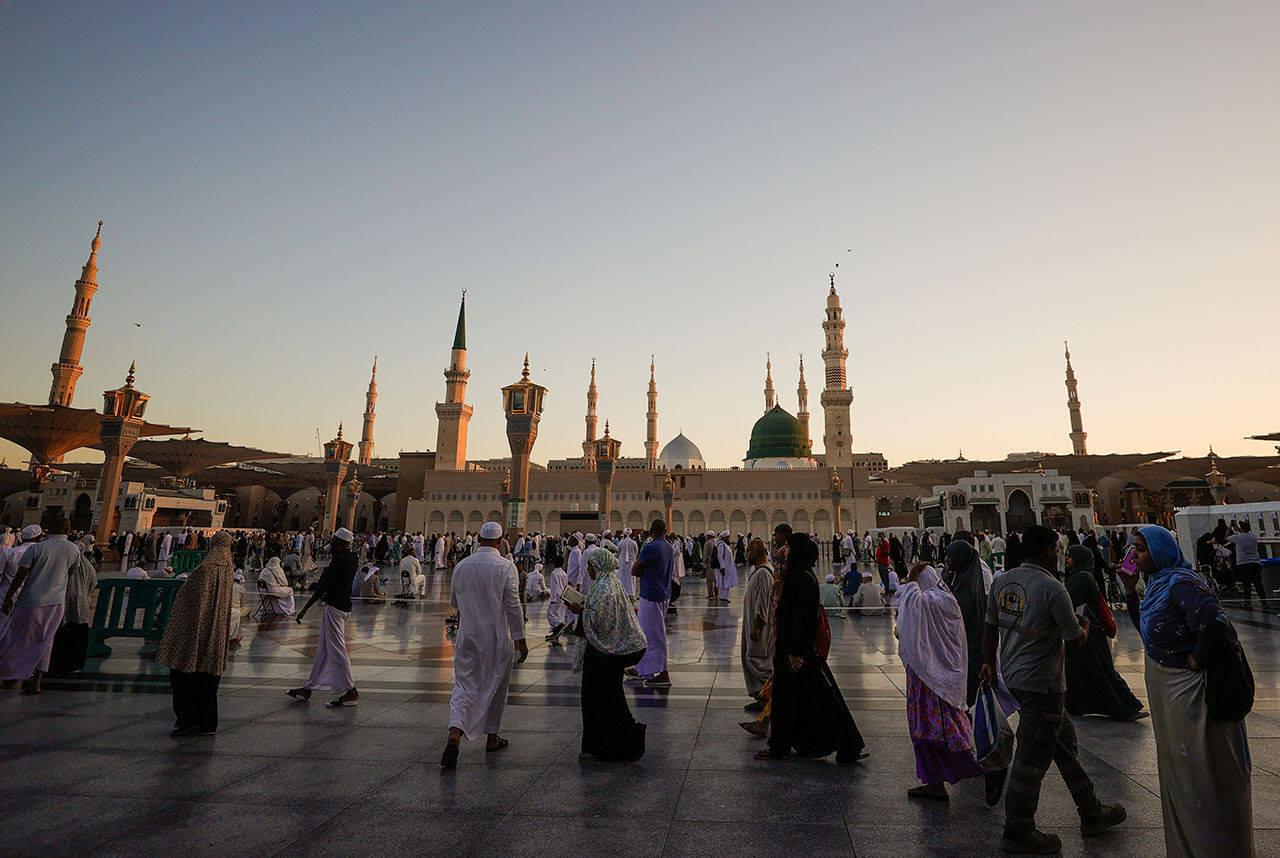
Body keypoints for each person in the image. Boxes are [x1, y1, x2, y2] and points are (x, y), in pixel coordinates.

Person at [982, 525, 1125, 854]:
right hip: (1043, 684)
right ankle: (1018, 829)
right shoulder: (1052, 588)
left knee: (1063, 745)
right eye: (1057, 550)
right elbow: (1073, 638)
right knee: (1030, 763)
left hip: (1016, 680)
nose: (1059, 555)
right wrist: (1086, 627)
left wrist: (990, 662)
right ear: (1048, 551)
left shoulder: (1003, 581)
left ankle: (1090, 811)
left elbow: (990, 627)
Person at [1124, 525, 1255, 858]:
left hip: (1192, 696)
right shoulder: (1156, 585)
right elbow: (1151, 636)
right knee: (1181, 776)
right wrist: (1129, 591)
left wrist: (1197, 658)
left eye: (1141, 549)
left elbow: (1214, 623)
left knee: (1204, 774)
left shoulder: (1182, 583)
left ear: (1161, 551)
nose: (1134, 556)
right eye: (1134, 549)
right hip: (1170, 695)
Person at [897, 562, 1006, 804]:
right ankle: (934, 785)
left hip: (930, 679)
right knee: (924, 733)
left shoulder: (930, 601)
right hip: (938, 677)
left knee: (942, 733)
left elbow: (910, 601)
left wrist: (912, 576)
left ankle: (988, 768)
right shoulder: (947, 598)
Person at [755, 532, 866, 764]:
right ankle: (846, 745)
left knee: (811, 700)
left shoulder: (802, 579)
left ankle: (783, 747)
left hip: (796, 652)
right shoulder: (800, 575)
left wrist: (795, 651)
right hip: (796, 650)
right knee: (806, 700)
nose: (786, 551)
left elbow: (803, 618)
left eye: (790, 547)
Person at [441, 521, 528, 769]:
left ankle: (455, 732)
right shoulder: (506, 567)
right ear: (500, 541)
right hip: (497, 638)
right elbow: (513, 606)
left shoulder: (462, 566)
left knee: (464, 684)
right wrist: (520, 639)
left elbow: (455, 601)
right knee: (497, 686)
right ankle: (492, 737)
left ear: (478, 538)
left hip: (467, 636)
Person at [568, 547, 647, 762]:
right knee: (606, 698)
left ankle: (610, 745)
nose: (589, 570)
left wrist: (580, 611)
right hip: (604, 651)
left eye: (591, 566)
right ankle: (604, 745)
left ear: (600, 565)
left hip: (604, 652)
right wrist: (585, 607)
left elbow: (602, 619)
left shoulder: (606, 588)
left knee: (602, 699)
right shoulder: (607, 583)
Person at [155, 531, 235, 735]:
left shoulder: (207, 568)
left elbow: (189, 598)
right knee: (208, 678)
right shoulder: (227, 566)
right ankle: (207, 722)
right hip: (216, 630)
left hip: (197, 630)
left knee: (184, 672)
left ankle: (189, 719)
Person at [1062, 545, 1144, 721]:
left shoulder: (1082, 578)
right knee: (1087, 671)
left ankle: (1127, 707)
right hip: (1087, 631)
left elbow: (1071, 604)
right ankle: (1076, 705)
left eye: (1070, 556)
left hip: (1088, 633)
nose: (1066, 559)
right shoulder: (1081, 575)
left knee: (1103, 671)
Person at [0, 517, 80, 693]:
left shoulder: (37, 548)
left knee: (18, 637)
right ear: (68, 530)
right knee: (46, 640)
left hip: (30, 601)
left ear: (50, 529)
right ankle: (36, 683)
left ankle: (10, 675)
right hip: (56, 603)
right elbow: (70, 572)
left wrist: (8, 598)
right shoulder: (74, 549)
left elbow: (20, 576)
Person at [288, 527, 361, 708]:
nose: (333, 545)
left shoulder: (338, 561)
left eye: (335, 542)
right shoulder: (353, 558)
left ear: (341, 543)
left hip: (335, 608)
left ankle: (351, 691)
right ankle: (309, 687)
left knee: (337, 649)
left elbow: (322, 587)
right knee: (323, 649)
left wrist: (304, 609)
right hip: (344, 607)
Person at [624, 519, 675, 688]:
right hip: (664, 595)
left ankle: (663, 673)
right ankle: (642, 668)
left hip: (651, 596)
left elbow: (634, 570)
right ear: (665, 531)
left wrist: (646, 573)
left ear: (652, 531)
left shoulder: (650, 548)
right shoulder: (669, 547)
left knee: (653, 635)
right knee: (649, 633)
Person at [944, 538, 987, 707]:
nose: (948, 561)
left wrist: (946, 583)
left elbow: (956, 611)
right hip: (970, 640)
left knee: (971, 690)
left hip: (970, 643)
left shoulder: (967, 584)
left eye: (950, 557)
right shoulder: (967, 578)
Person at [48, 541, 97, 674]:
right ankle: (76, 665)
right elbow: (93, 582)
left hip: (65, 601)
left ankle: (58, 663)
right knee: (78, 635)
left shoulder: (67, 563)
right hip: (82, 604)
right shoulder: (88, 566)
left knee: (63, 632)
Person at [741, 538, 774, 708]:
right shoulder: (760, 570)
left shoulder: (763, 572)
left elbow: (762, 602)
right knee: (754, 658)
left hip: (759, 626)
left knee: (758, 661)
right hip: (754, 622)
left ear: (756, 553)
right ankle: (762, 697)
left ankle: (769, 696)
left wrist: (757, 626)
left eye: (749, 551)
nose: (747, 554)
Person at [1228, 521, 1266, 609]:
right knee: (1258, 584)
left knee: (1246, 584)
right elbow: (1243, 534)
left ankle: (1248, 603)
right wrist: (1238, 528)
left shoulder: (1237, 538)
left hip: (1243, 564)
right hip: (1255, 563)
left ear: (1241, 529)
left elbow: (1226, 538)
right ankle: (1264, 602)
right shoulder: (1253, 537)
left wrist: (1230, 527)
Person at [544, 559, 571, 643]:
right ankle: (556, 633)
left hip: (556, 597)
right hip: (563, 596)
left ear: (554, 563)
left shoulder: (554, 573)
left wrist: (553, 599)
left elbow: (554, 587)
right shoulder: (564, 574)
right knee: (559, 615)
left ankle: (560, 625)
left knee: (550, 614)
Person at [714, 530, 737, 601]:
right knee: (723, 582)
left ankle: (725, 597)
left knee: (726, 582)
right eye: (728, 537)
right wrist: (722, 566)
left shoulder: (725, 544)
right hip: (724, 567)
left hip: (727, 567)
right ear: (724, 538)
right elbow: (719, 556)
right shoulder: (721, 545)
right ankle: (723, 597)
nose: (729, 539)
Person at [616, 528, 638, 598]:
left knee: (622, 576)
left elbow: (619, 552)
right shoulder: (634, 543)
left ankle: (622, 591)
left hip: (622, 562)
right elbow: (636, 552)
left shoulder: (620, 543)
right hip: (631, 562)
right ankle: (631, 592)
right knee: (630, 578)